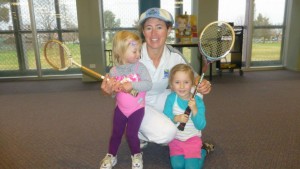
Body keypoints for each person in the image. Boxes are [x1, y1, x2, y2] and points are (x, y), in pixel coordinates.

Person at [101, 7, 213, 166]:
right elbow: (117, 88)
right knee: (167, 134)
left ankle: (190, 138)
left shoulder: (174, 56)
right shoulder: (134, 53)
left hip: (163, 100)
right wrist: (109, 90)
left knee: (195, 93)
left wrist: (202, 84)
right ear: (143, 32)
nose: (154, 34)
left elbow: (194, 77)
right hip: (138, 105)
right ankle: (139, 133)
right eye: (148, 28)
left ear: (168, 30)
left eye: (159, 27)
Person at [99, 30, 152, 169]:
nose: (138, 54)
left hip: (137, 108)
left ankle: (136, 154)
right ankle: (111, 155)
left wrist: (132, 85)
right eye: (134, 51)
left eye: (139, 50)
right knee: (116, 132)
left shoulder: (140, 67)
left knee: (131, 133)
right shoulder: (114, 71)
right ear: (121, 51)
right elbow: (113, 94)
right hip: (120, 109)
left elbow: (148, 84)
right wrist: (111, 90)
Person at [163, 64, 206, 169]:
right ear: (171, 85)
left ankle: (203, 152)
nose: (182, 86)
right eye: (177, 82)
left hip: (192, 140)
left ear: (192, 84)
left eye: (186, 82)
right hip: (176, 140)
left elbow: (201, 125)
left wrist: (195, 109)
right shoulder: (171, 99)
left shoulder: (198, 101)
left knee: (191, 167)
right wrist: (176, 118)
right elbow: (165, 116)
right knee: (178, 166)